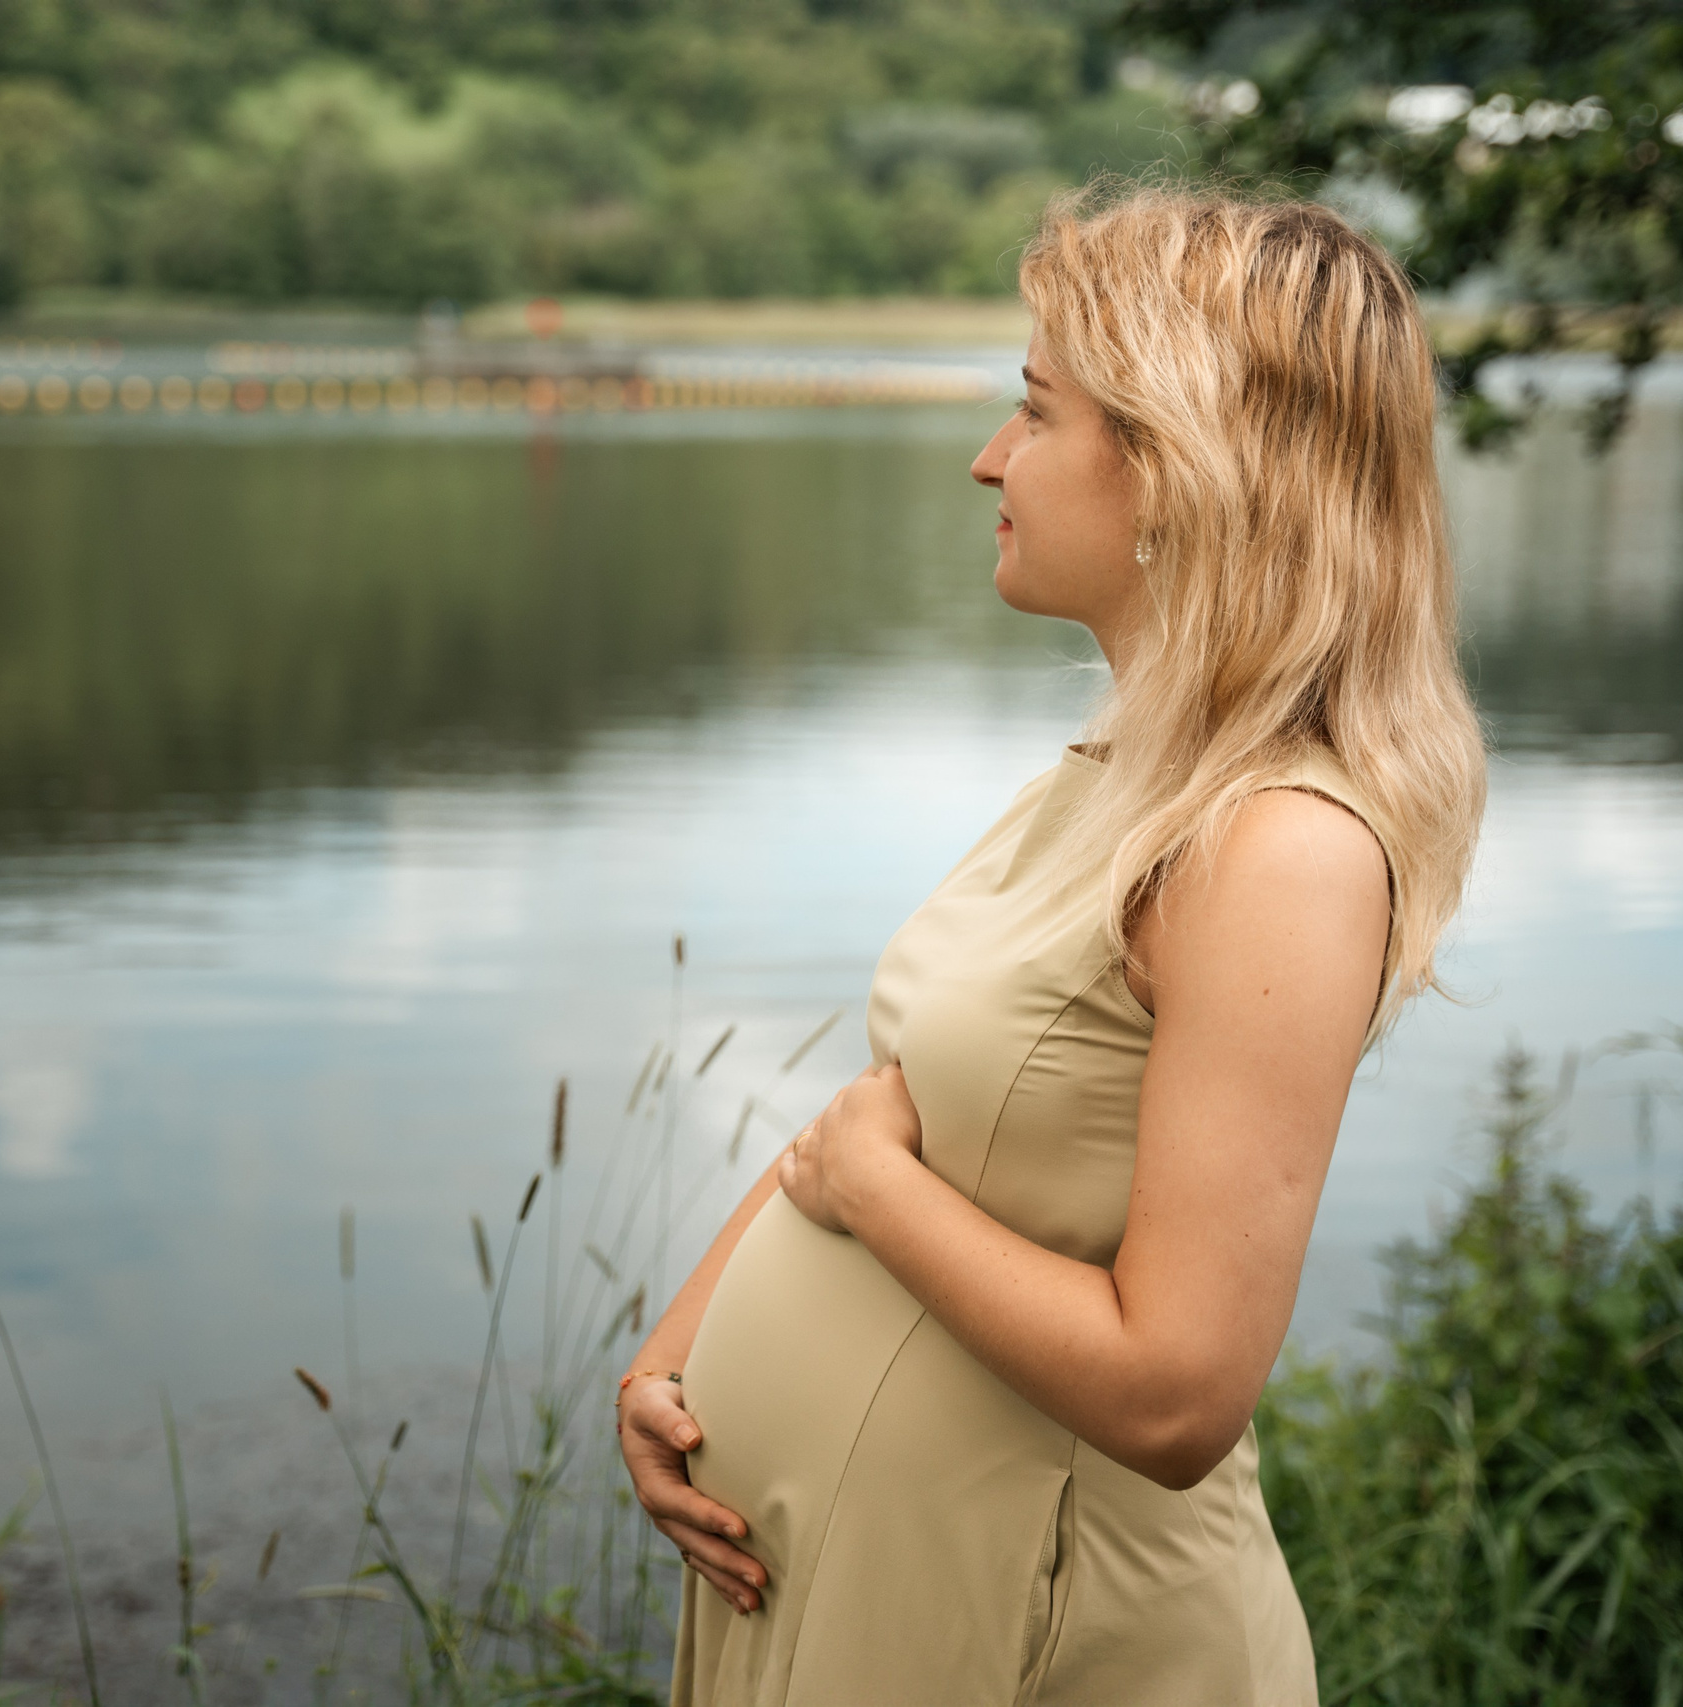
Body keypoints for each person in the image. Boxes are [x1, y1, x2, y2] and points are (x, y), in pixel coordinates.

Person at [614, 183, 1488, 1706]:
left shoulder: (1282, 847)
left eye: (1035, 414)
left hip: (1053, 1637)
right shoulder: (1109, 784)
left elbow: (1175, 1391)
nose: (987, 460)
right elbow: (885, 1110)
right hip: (874, 1587)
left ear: (1177, 469)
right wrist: (669, 1363)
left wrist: (875, 1195)